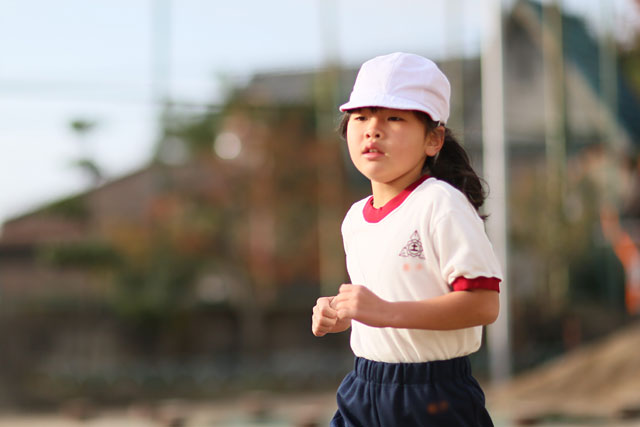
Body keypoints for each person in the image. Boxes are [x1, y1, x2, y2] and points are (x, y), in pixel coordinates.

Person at [311, 52, 503, 426]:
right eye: (360, 117)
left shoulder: (441, 203)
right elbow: (390, 293)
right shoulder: (355, 219)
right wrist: (341, 312)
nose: (373, 129)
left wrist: (384, 312)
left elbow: (484, 304)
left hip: (434, 397)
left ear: (434, 139)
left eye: (394, 118)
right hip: (362, 388)